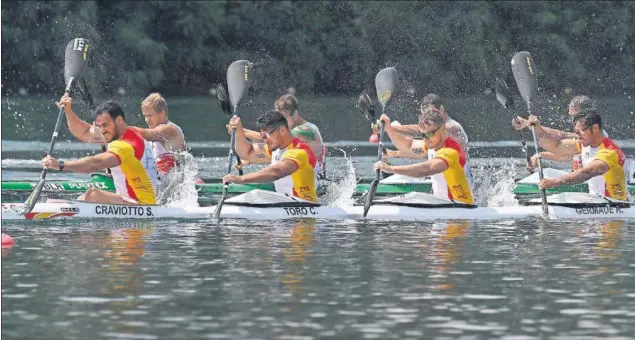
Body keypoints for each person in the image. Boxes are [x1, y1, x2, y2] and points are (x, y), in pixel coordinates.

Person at [41, 101, 158, 204]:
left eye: (105, 125)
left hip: (141, 205)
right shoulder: (127, 132)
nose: (102, 131)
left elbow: (96, 163)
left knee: (93, 195)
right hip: (135, 200)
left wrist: (61, 165)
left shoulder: (126, 145)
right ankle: (68, 204)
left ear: (119, 120)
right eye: (99, 126)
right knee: (87, 196)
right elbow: (84, 131)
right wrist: (68, 111)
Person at [373, 107, 474, 205]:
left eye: (429, 134)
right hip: (445, 208)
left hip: (460, 211)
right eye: (423, 135)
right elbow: (408, 145)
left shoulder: (451, 150)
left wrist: (390, 169)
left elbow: (427, 169)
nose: (426, 139)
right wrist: (388, 128)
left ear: (443, 130)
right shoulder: (433, 144)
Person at [222, 110, 318, 202]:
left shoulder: (300, 151)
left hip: (304, 207)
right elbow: (246, 153)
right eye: (262, 136)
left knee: (257, 195)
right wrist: (238, 132)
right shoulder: (276, 149)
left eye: (266, 136)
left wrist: (241, 179)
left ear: (282, 130)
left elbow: (276, 172)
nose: (265, 140)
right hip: (286, 203)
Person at [533, 110, 628, 201]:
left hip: (615, 206)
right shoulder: (584, 145)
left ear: (595, 128)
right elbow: (556, 146)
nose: (577, 135)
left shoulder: (610, 151)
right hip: (596, 202)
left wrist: (556, 181)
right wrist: (537, 127)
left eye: (579, 132)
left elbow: (586, 173)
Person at [236, 94, 327, 180]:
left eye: (284, 119)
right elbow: (256, 151)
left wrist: (243, 131)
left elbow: (277, 138)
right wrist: (250, 159)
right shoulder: (287, 140)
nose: (281, 123)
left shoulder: (306, 130)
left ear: (295, 113)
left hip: (314, 186)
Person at [512, 95, 608, 169]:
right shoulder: (591, 132)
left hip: (602, 194)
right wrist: (540, 155)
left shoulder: (591, 137)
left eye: (575, 117)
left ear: (588, 115)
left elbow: (557, 147)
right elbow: (561, 137)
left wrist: (534, 127)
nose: (573, 121)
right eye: (571, 117)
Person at [372, 94, 469, 159]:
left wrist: (388, 127)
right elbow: (415, 148)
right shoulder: (433, 138)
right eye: (425, 115)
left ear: (441, 109)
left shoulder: (452, 127)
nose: (427, 120)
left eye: (431, 113)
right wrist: (395, 153)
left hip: (458, 185)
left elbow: (417, 130)